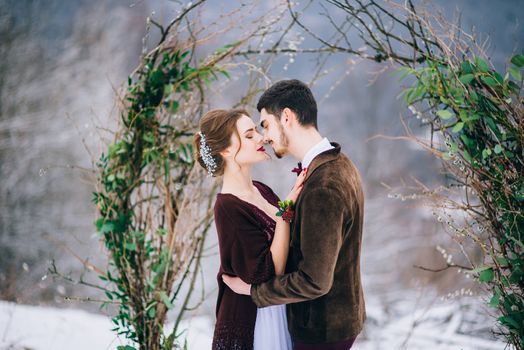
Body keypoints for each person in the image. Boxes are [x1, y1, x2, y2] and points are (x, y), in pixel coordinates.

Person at [222, 79, 366, 350]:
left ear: (286, 117)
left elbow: (314, 281)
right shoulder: (337, 163)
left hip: (322, 330)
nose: (264, 137)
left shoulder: (323, 185)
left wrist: (253, 292)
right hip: (337, 320)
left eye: (265, 125)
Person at [193, 108, 307, 350]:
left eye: (257, 130)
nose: (262, 137)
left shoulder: (260, 189)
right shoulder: (228, 207)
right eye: (249, 135)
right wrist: (286, 211)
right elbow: (269, 269)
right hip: (257, 320)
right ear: (225, 150)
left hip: (279, 306)